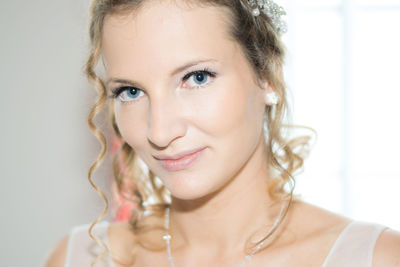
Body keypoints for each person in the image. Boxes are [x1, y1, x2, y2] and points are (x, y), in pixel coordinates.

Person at [44, 0, 400, 266]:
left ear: (267, 76)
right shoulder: (77, 258)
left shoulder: (375, 258)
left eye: (196, 77)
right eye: (130, 92)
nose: (160, 131)